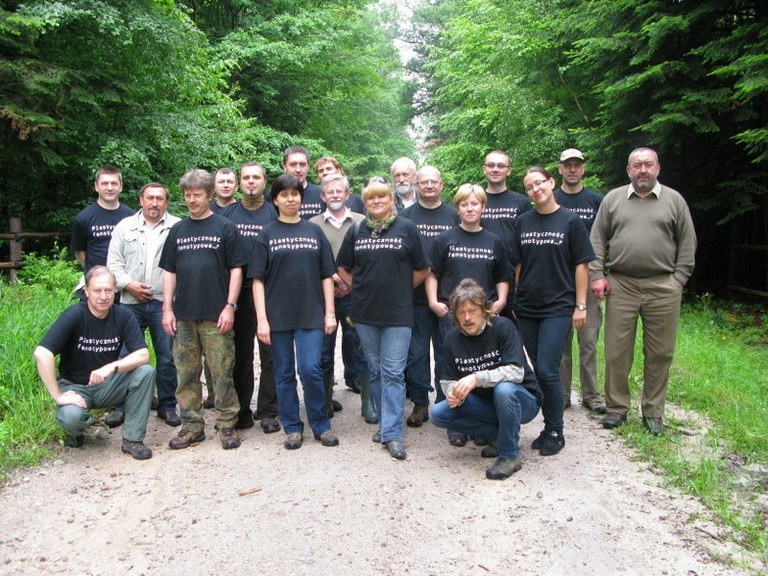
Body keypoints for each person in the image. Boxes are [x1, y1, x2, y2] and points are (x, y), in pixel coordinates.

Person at [590, 148, 697, 435]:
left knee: (660, 352)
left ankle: (653, 412)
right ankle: (616, 408)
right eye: (637, 165)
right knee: (616, 351)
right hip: (621, 284)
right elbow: (597, 240)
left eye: (648, 165)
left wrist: (678, 280)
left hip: (663, 285)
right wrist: (597, 275)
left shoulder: (674, 201)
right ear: (628, 170)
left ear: (658, 168)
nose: (643, 170)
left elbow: (687, 244)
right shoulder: (613, 199)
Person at [337, 180, 431, 460]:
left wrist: (402, 288)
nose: (376, 202)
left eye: (381, 197)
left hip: (398, 312)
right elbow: (342, 267)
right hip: (365, 313)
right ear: (365, 204)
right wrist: (359, 287)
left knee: (392, 371)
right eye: (370, 199)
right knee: (376, 370)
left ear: (391, 200)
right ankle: (385, 423)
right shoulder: (357, 230)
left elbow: (423, 267)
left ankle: (392, 433)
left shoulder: (407, 228)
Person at [160, 169, 247, 451]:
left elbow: (236, 269)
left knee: (222, 372)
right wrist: (167, 310)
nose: (192, 200)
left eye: (197, 195)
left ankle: (226, 425)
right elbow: (169, 272)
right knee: (186, 374)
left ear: (209, 196)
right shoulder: (177, 230)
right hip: (183, 315)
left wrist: (230, 306)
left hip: (216, 314)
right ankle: (192, 426)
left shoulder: (225, 228)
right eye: (187, 195)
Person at [510, 167, 595, 456]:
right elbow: (518, 265)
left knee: (547, 368)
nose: (535, 189)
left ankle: (556, 428)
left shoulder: (570, 222)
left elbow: (581, 265)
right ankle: (547, 428)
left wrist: (580, 305)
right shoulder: (522, 222)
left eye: (539, 183)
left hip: (558, 307)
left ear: (551, 182)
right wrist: (516, 298)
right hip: (528, 307)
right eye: (529, 187)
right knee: (538, 368)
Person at [251, 174, 339, 450]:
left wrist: (330, 313)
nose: (291, 199)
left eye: (295, 194)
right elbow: (257, 280)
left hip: (311, 312)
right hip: (277, 315)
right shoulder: (266, 234)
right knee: (284, 371)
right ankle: (291, 427)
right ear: (275, 199)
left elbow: (327, 275)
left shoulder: (314, 231)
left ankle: (321, 425)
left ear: (301, 198)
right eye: (284, 194)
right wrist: (262, 320)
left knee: (311, 368)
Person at [33, 266, 155, 460]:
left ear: (115, 291)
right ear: (86, 291)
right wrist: (57, 395)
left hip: (108, 383)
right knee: (72, 417)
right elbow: (42, 353)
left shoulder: (123, 315)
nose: (104, 296)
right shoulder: (73, 315)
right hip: (75, 387)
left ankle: (132, 439)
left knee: (145, 372)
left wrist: (111, 367)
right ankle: (75, 433)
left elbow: (142, 355)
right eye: (97, 290)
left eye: (108, 290)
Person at [429, 279, 541, 479]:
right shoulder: (452, 339)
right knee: (438, 413)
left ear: (485, 310)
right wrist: (453, 392)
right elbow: (447, 380)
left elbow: (517, 372)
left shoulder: (503, 327)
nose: (467, 318)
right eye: (461, 313)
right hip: (486, 404)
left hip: (523, 400)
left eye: (472, 311)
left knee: (504, 389)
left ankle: (510, 455)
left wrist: (476, 378)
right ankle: (501, 436)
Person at [426, 184, 511, 441]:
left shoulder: (494, 241)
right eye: (464, 204)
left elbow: (502, 275)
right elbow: (433, 273)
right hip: (451, 314)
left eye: (475, 204)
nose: (470, 208)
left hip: (484, 315)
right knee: (448, 365)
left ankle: (482, 419)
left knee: (484, 364)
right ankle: (455, 422)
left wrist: (502, 299)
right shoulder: (445, 239)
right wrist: (433, 301)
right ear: (458, 208)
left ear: (483, 207)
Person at [107, 182, 181, 428]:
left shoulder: (177, 227)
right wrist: (129, 285)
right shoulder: (124, 227)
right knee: (126, 354)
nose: (155, 203)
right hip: (130, 302)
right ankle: (120, 405)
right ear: (141, 200)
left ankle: (167, 405)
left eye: (160, 198)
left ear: (166, 202)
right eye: (150, 198)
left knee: (167, 356)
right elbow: (113, 265)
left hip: (164, 303)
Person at [220, 162, 281, 434]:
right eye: (246, 177)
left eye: (256, 177)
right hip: (238, 293)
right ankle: (242, 411)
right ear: (239, 182)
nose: (251, 182)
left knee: (271, 355)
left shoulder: (275, 213)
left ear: (265, 181)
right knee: (240, 355)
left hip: (271, 292)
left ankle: (268, 411)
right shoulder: (227, 215)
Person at [399, 166, 459, 428]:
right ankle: (420, 402)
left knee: (447, 352)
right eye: (424, 182)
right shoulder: (406, 216)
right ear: (416, 185)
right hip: (414, 298)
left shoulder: (454, 215)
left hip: (449, 298)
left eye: (434, 182)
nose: (429, 186)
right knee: (416, 353)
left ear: (442, 185)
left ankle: (445, 403)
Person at [309, 173, 373, 422]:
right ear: (322, 196)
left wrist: (348, 283)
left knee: (361, 347)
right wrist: (333, 280)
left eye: (340, 192)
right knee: (323, 350)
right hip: (322, 297)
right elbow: (309, 260)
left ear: (348, 195)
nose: (335, 195)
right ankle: (325, 401)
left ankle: (368, 404)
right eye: (329, 192)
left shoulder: (362, 222)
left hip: (355, 296)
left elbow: (368, 258)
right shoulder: (311, 224)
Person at [554, 148, 607, 414]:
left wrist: (600, 274)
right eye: (568, 165)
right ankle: (562, 395)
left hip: (588, 279)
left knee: (588, 342)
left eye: (577, 165)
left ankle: (592, 395)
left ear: (583, 169)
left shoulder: (596, 201)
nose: (572, 169)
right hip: (560, 283)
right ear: (560, 169)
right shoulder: (552, 199)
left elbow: (605, 240)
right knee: (561, 344)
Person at [480, 150, 532, 318]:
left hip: (513, 278)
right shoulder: (475, 200)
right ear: (484, 169)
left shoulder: (521, 202)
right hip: (481, 279)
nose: (495, 169)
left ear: (509, 170)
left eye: (500, 165)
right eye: (491, 165)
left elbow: (527, 244)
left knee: (513, 337)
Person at [281, 145, 325, 219]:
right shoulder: (273, 195)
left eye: (302, 164)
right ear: (284, 166)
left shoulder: (321, 194)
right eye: (293, 164)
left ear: (309, 166)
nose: (298, 170)